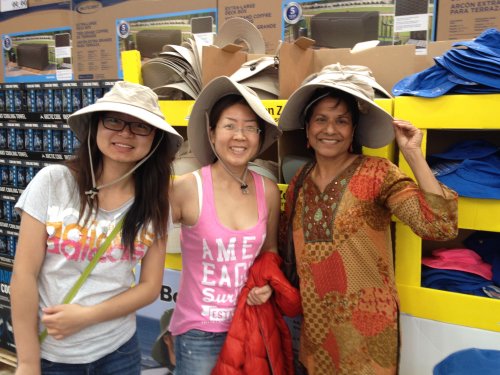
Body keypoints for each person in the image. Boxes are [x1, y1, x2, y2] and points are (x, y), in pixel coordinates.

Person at [278, 64, 459, 374]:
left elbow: (439, 226)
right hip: (316, 334)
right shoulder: (300, 181)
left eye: (341, 121)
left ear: (353, 132)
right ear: (307, 130)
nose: (330, 130)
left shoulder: (378, 173)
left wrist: (413, 153)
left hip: (369, 335)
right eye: (320, 120)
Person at [10, 81, 183, 375]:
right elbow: (24, 274)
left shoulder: (155, 202)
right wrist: (27, 362)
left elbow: (150, 287)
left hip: (119, 351)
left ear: (154, 139)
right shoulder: (53, 182)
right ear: (95, 125)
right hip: (54, 356)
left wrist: (87, 316)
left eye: (141, 126)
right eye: (114, 119)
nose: (125, 133)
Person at [169, 76, 282, 375]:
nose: (239, 136)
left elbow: (269, 251)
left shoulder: (268, 190)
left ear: (259, 136)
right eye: (229, 125)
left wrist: (267, 285)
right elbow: (143, 238)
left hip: (251, 324)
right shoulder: (186, 188)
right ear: (211, 132)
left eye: (249, 128)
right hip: (199, 332)